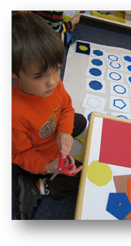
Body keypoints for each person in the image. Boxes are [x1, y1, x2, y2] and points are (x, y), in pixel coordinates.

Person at [12, 12, 86, 219]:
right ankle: (38, 185)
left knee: (79, 120)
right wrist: (48, 166)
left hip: (51, 135)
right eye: (39, 76)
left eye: (56, 70)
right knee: (82, 177)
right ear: (14, 73)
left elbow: (67, 108)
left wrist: (63, 131)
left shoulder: (53, 85)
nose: (53, 82)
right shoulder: (14, 113)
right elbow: (19, 154)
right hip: (39, 158)